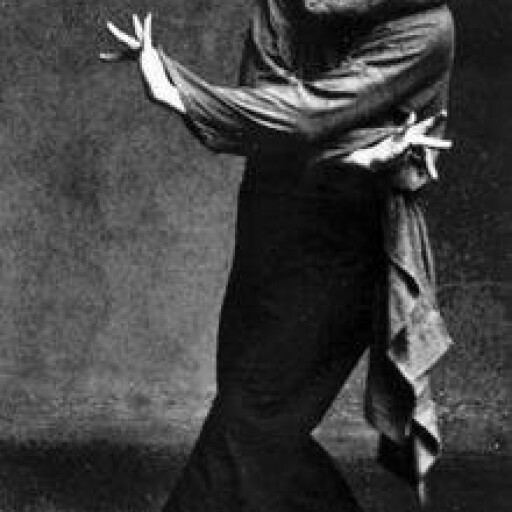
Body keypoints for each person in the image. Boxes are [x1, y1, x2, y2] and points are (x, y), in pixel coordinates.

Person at [100, 1, 454, 510]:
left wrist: (181, 94)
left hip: (346, 239)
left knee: (250, 422)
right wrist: (354, 150)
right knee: (259, 423)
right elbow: (269, 110)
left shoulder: (426, 27)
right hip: (271, 219)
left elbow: (303, 115)